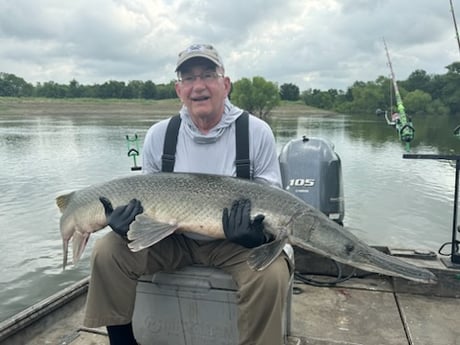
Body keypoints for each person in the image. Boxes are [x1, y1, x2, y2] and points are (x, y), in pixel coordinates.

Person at [83, 43, 292, 345]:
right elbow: (147, 197)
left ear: (225, 84)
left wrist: (256, 236)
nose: (199, 86)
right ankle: (122, 341)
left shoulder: (256, 132)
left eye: (208, 75)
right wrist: (127, 222)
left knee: (271, 276)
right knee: (108, 251)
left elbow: (274, 200)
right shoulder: (160, 135)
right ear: (178, 90)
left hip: (233, 244)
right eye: (189, 79)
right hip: (173, 239)